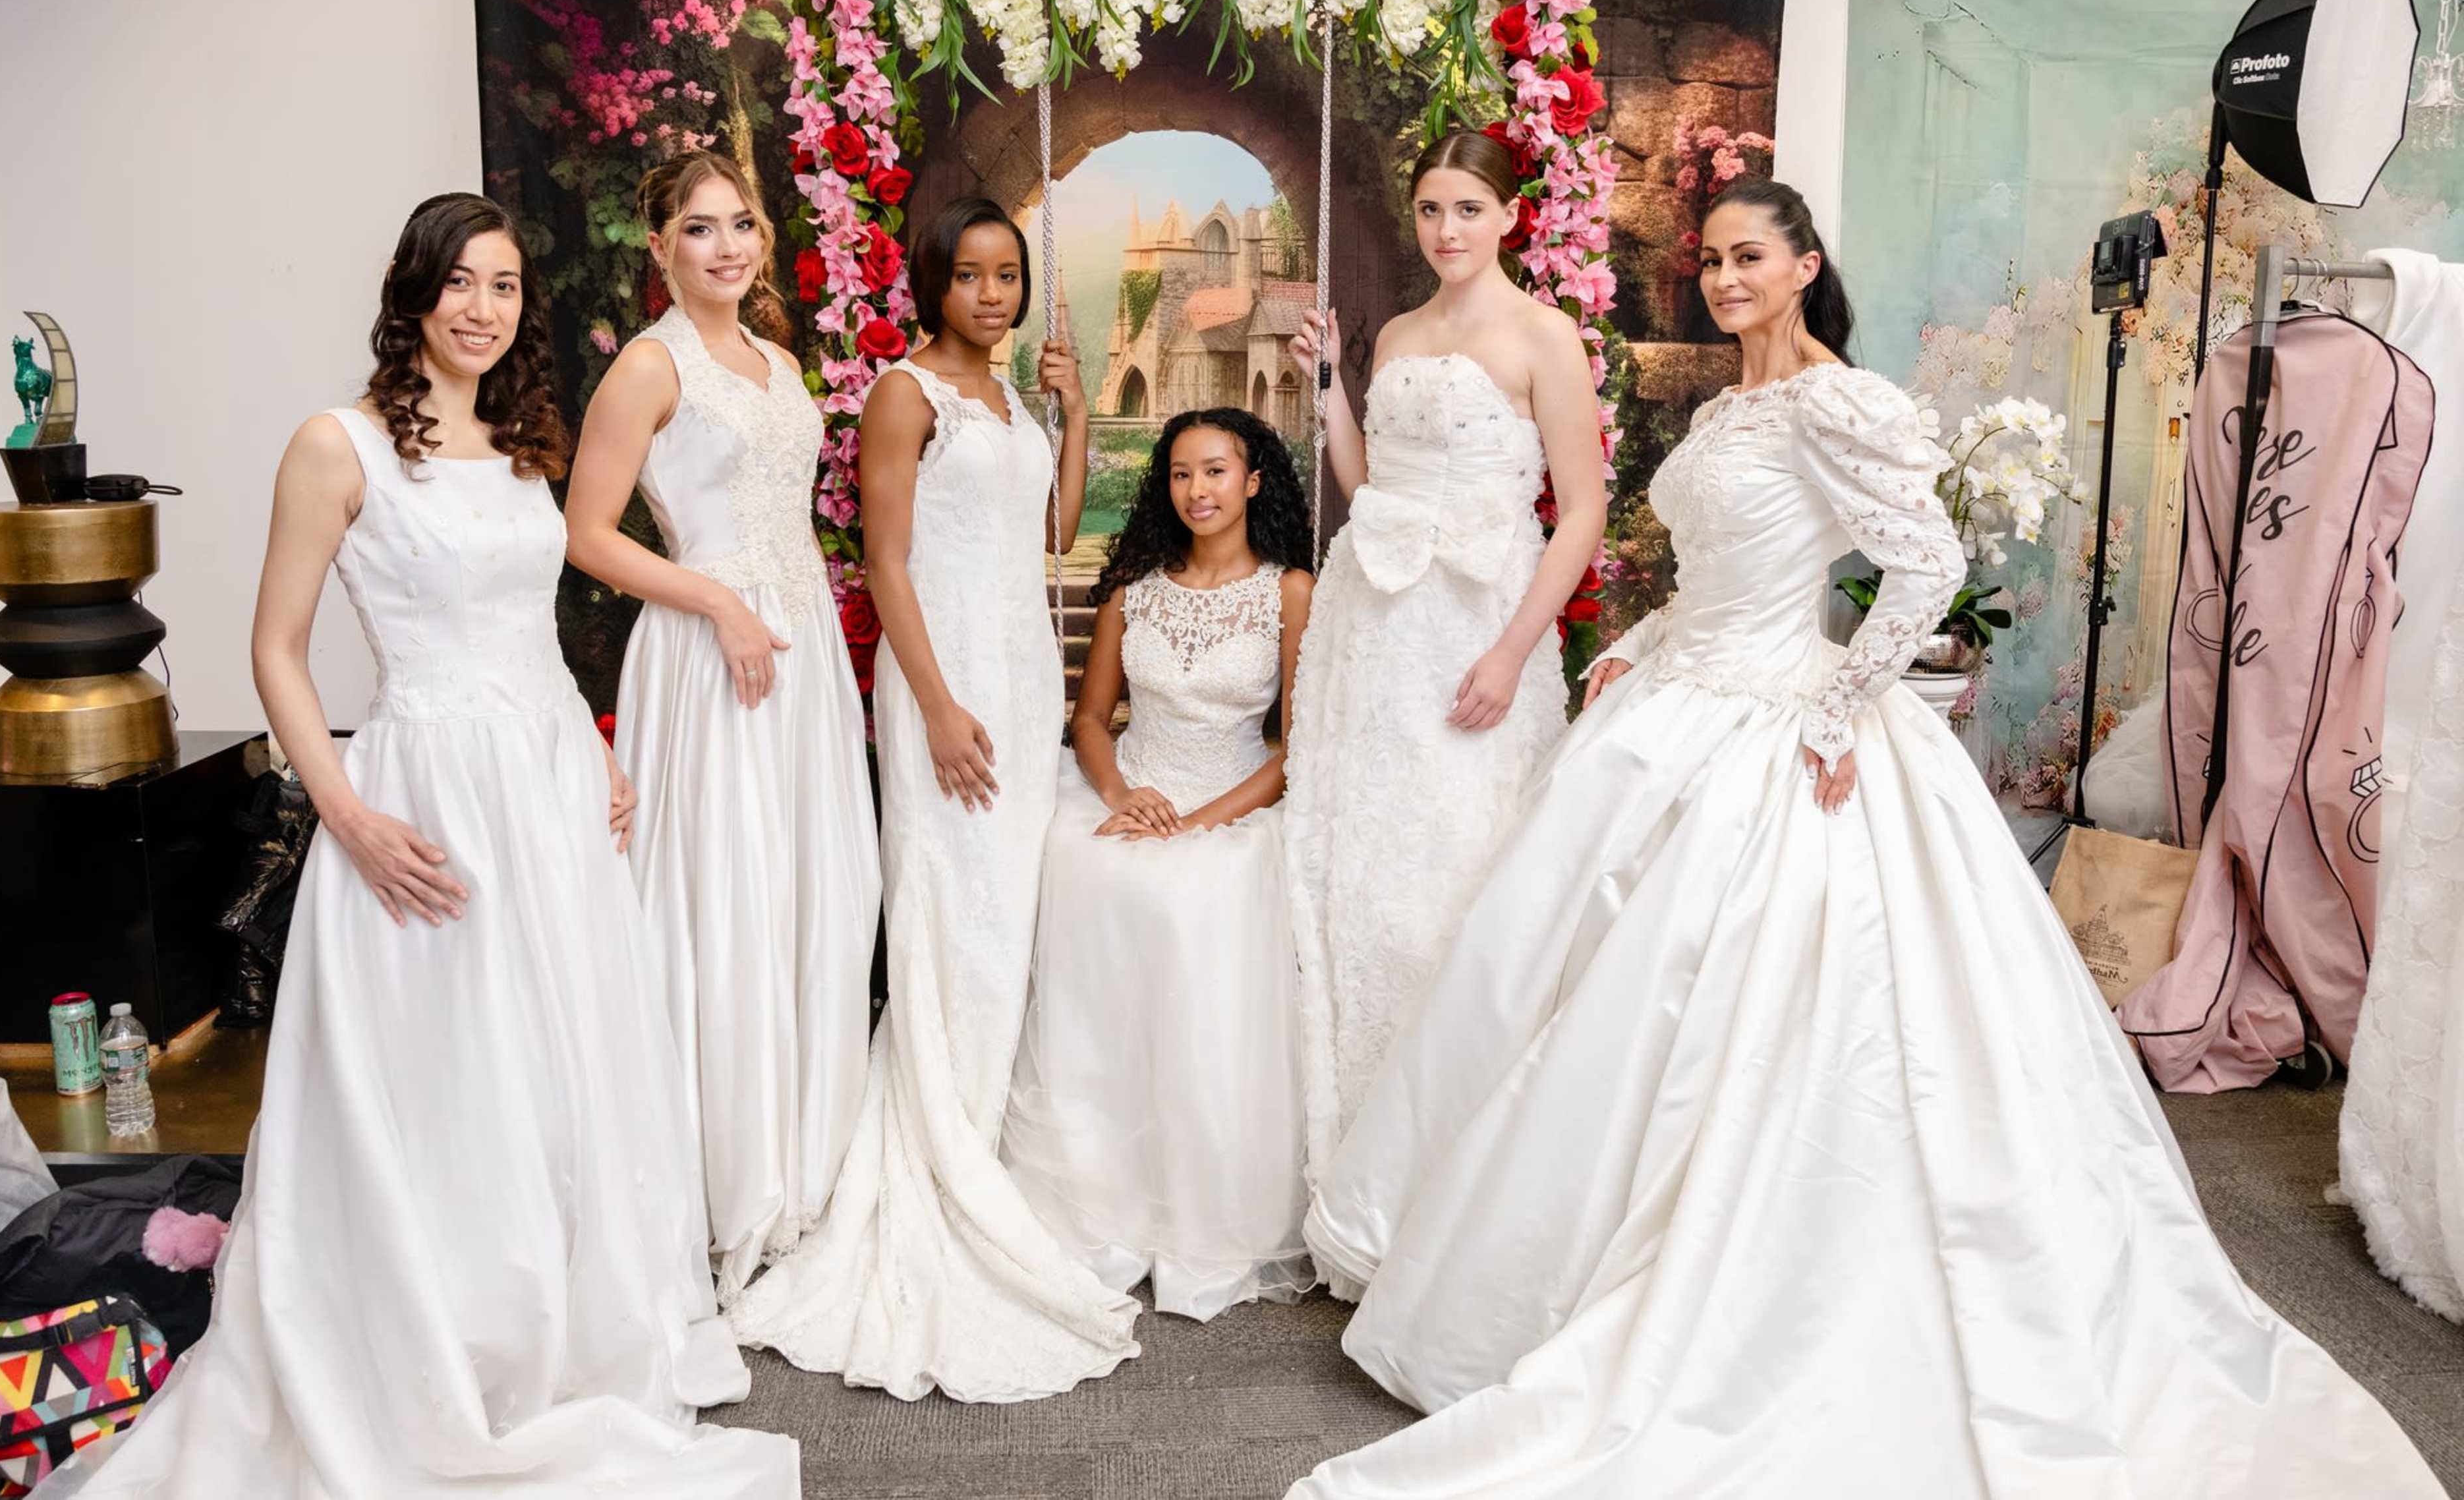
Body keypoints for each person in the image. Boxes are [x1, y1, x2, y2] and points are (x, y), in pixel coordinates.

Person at [1286, 179, 2442, 1499]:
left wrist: (1838, 707)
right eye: (1711, 260)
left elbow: (1925, 562)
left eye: (1748, 258)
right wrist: (1647, 643)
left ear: (1803, 264)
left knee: (1756, 1010)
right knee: (1564, 976)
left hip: (1785, 722)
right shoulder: (1733, 403)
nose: (1724, 279)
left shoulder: (1839, 395)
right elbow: (1724, 571)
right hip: (1681, 698)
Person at [38, 194, 796, 1496]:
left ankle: (566, 1322)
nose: (482, 308)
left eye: (505, 286)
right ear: (411, 290)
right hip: (420, 793)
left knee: (567, 1065)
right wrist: (348, 812)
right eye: (459, 282)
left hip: (548, 782)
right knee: (451, 1077)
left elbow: (536, 631)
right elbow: (274, 650)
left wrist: (598, 749)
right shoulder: (336, 446)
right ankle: (440, 1336)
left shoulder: (521, 442)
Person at [726, 195, 1139, 1402]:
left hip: (1015, 670)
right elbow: (885, 561)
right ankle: (939, 1157)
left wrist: (1069, 416)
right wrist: (938, 706)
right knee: (952, 919)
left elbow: (1055, 532)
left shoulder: (1010, 399)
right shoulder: (907, 393)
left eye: (1007, 277)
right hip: (942, 684)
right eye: (970, 277)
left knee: (1004, 925)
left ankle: (987, 1158)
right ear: (933, 285)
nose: (993, 296)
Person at [564, 151, 880, 1304]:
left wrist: (776, 615)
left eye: (740, 224)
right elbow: (588, 533)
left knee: (809, 890)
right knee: (727, 896)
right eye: (699, 230)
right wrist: (717, 604)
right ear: (657, 246)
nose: (728, 247)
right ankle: (721, 1183)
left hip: (794, 656)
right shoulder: (649, 369)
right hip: (710, 656)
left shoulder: (781, 361)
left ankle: (804, 1161)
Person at [1280, 129, 1607, 1205]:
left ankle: (1457, 1173)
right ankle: (1362, 1152)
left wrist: (1514, 651)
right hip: (1375, 620)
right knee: (1369, 865)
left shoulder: (1543, 336)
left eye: (1468, 208)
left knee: (1461, 870)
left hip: (1478, 622)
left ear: (1510, 216)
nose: (1447, 229)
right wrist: (1331, 388)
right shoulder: (1403, 333)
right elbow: (1371, 480)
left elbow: (1585, 509)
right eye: (1430, 210)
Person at [1002, 408, 1317, 1322]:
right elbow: (1092, 720)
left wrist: (1202, 822)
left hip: (1231, 803)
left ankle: (1198, 1204)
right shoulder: (1135, 589)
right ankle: (1096, 1193)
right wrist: (1119, 797)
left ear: (1254, 479)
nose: (1199, 491)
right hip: (1132, 791)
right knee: (1086, 877)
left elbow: (1296, 748)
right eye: (1181, 475)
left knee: (1194, 903)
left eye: (1216, 471)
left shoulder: (1290, 591)